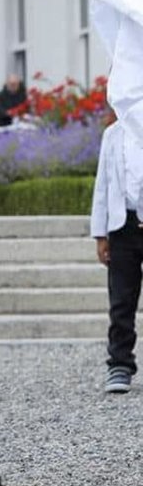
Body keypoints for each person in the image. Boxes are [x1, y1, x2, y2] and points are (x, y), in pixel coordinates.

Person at [90, 114, 140, 393]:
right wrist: (100, 233)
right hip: (123, 228)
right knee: (121, 300)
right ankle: (119, 363)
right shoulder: (113, 134)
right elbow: (103, 186)